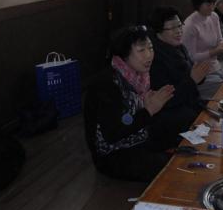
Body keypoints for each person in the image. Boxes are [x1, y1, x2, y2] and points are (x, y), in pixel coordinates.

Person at [83, 26, 194, 182]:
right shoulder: (107, 83)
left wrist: (151, 110)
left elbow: (142, 118)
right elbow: (113, 134)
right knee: (171, 168)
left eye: (150, 48)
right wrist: (148, 111)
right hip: (113, 153)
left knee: (184, 127)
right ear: (124, 54)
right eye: (141, 50)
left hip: (139, 136)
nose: (149, 55)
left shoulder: (141, 76)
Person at [147, 6, 211, 112]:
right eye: (172, 28)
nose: (179, 31)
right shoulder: (155, 58)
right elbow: (167, 101)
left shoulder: (179, 47)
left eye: (180, 26)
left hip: (191, 103)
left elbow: (191, 76)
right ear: (158, 31)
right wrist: (193, 80)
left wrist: (200, 74)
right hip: (174, 113)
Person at [182, 0, 223, 99]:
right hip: (200, 74)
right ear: (198, 4)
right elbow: (191, 57)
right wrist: (215, 51)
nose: (212, 7)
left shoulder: (214, 16)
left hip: (216, 67)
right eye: (208, 4)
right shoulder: (190, 25)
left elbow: (220, 40)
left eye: (213, 3)